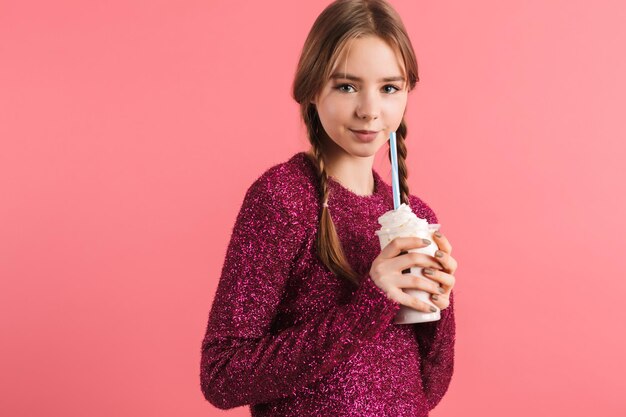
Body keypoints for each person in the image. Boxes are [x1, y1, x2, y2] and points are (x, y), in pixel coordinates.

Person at [199, 0, 458, 415]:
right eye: (347, 86)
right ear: (311, 89)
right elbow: (222, 376)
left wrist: (438, 304)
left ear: (407, 92)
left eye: (389, 88)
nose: (370, 110)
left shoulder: (416, 216)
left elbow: (427, 388)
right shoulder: (284, 199)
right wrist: (369, 305)